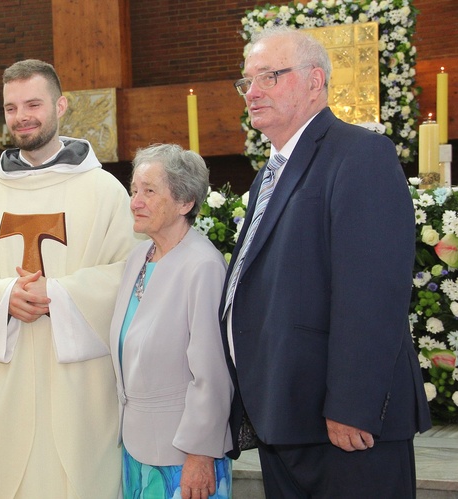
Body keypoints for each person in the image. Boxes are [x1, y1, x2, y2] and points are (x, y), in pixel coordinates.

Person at [220, 26, 432, 497]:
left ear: (315, 81)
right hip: (288, 416)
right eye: (246, 82)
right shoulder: (269, 174)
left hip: (344, 427)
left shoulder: (359, 155)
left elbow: (372, 292)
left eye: (268, 77)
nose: (252, 92)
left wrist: (353, 404)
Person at [0, 59, 137, 498]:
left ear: (61, 105)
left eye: (33, 104)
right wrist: (2, 296)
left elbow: (128, 271)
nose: (22, 117)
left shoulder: (105, 192)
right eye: (12, 108)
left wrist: (63, 294)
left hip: (79, 383)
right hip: (4, 378)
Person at [111, 144, 233, 499]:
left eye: (149, 191)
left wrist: (200, 453)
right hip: (138, 450)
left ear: (185, 202)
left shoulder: (203, 266)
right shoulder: (138, 259)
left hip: (185, 456)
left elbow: (212, 375)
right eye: (134, 190)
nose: (135, 201)